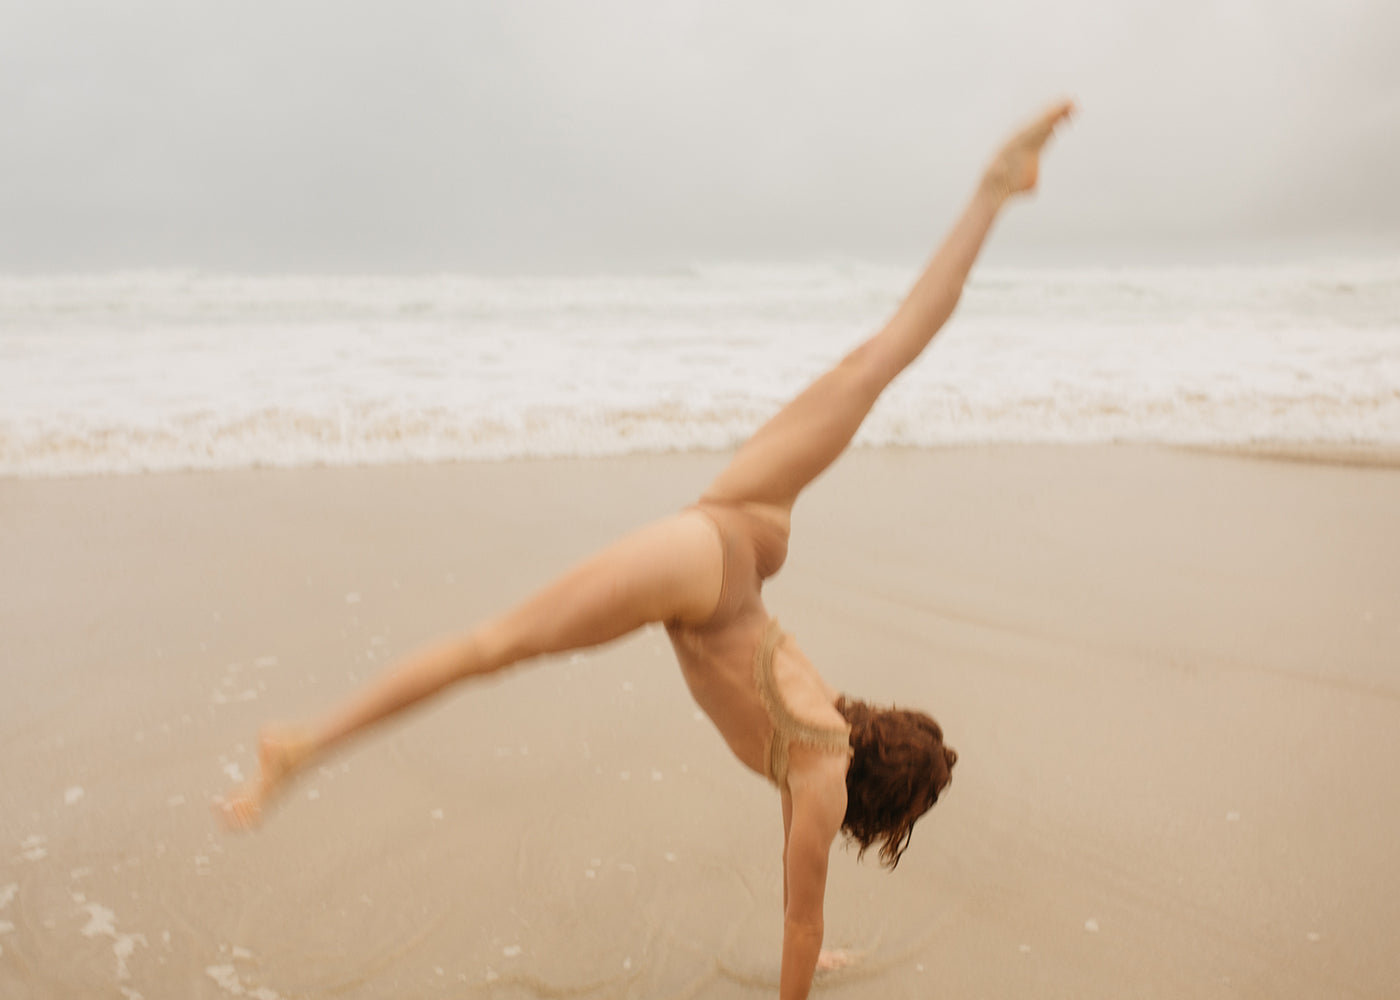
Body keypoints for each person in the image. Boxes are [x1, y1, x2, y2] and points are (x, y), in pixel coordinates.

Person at [220, 99, 1075, 999]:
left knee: (881, 359)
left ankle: (995, 188)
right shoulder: (820, 784)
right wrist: (800, 976)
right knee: (492, 647)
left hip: (744, 534)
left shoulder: (824, 748)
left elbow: (799, 899)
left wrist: (810, 952)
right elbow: (801, 916)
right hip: (704, 571)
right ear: (881, 804)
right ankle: (302, 743)